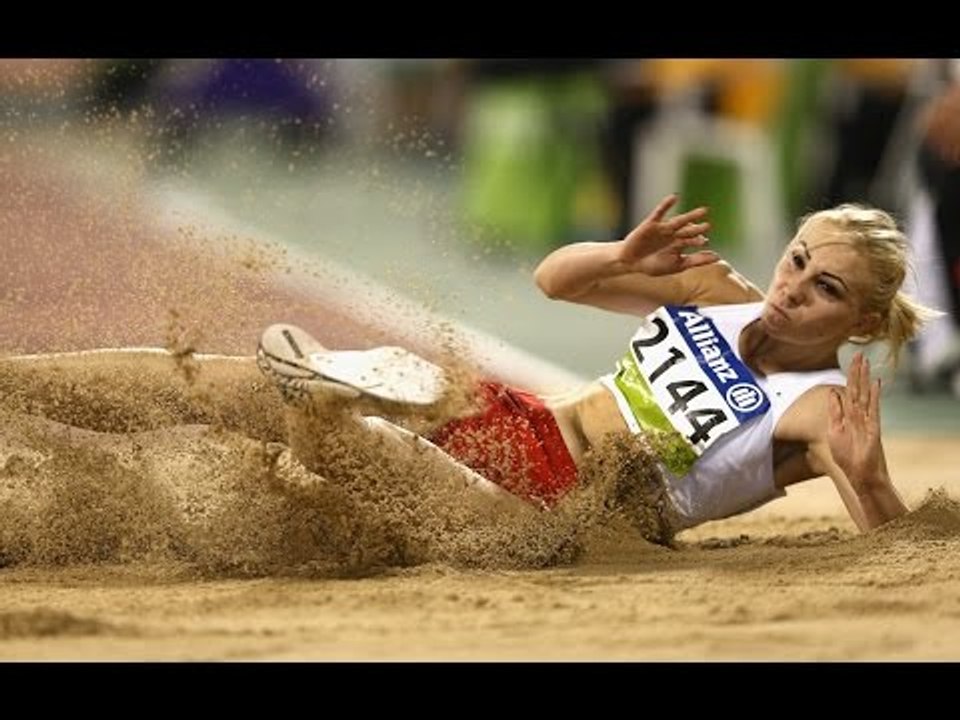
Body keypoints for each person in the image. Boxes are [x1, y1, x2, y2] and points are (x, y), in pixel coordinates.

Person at [0, 194, 936, 559]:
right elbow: (555, 281)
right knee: (221, 384)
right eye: (797, 261)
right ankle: (12, 383)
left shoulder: (815, 410)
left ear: (858, 322)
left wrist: (874, 476)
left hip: (561, 513)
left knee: (351, 466)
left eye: (825, 290)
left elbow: (894, 553)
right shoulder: (717, 292)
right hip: (516, 423)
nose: (793, 290)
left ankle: (350, 394)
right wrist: (618, 251)